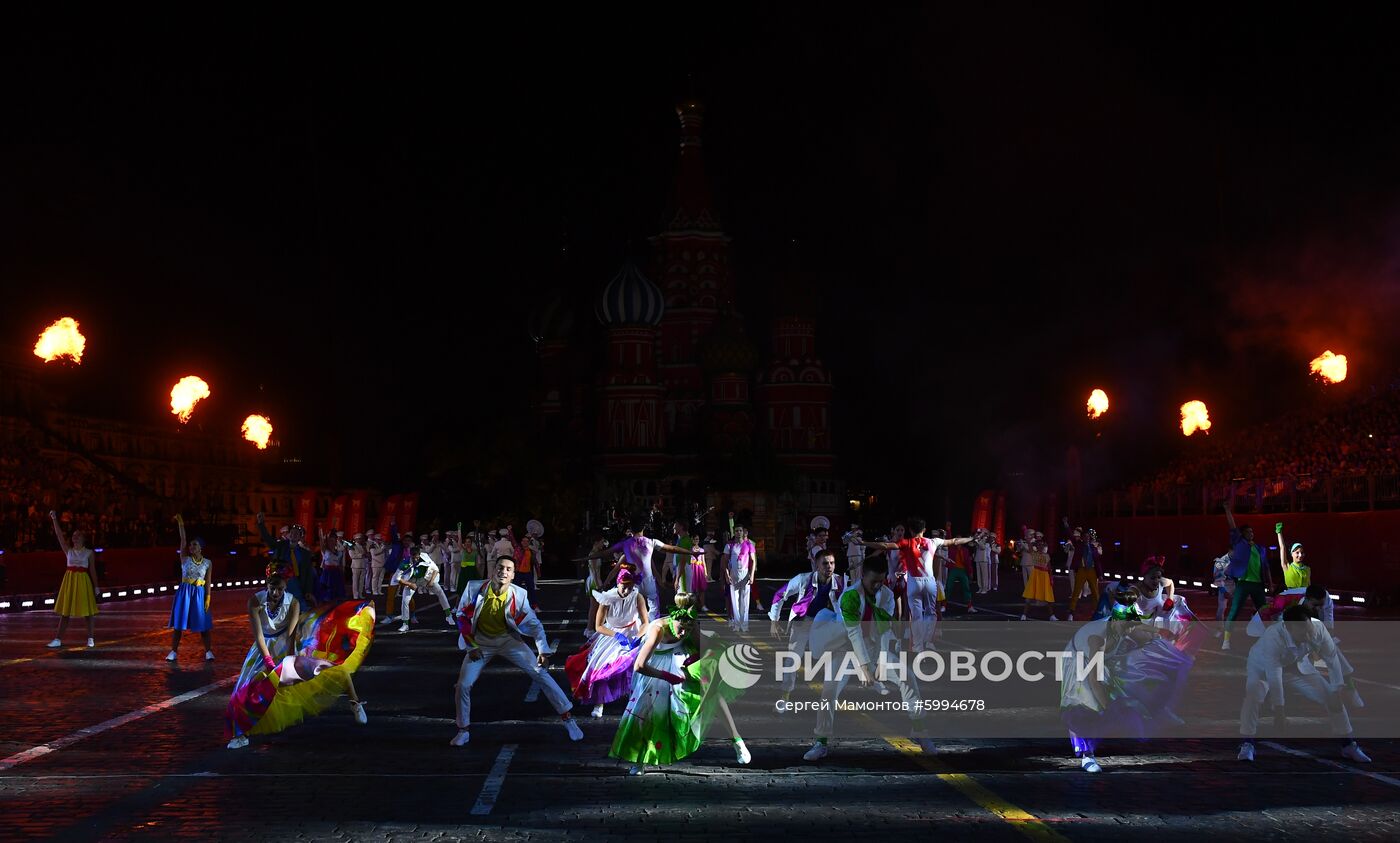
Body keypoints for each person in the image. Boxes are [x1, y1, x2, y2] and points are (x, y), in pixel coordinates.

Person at [801, 564, 936, 761]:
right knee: (829, 691)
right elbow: (854, 634)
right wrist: (865, 669)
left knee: (907, 677)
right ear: (862, 576)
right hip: (845, 647)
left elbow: (883, 630)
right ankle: (821, 742)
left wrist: (880, 663)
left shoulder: (887, 596)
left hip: (872, 647)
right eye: (873, 581)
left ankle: (919, 730)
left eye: (881, 582)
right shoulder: (850, 596)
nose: (877, 586)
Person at [448, 556, 583, 747]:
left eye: (508, 569)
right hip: (480, 643)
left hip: (508, 640)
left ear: (512, 575)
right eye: (500, 567)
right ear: (493, 570)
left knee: (540, 674)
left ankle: (568, 719)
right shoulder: (474, 588)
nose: (504, 571)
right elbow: (461, 616)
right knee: (463, 685)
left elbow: (534, 625)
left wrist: (543, 651)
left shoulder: (518, 595)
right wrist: (472, 646)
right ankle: (463, 730)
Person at [224, 575, 371, 749]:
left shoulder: (293, 603)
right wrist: (268, 660)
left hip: (288, 644)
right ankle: (241, 735)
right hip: (263, 648)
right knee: (246, 689)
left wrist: (288, 659)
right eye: (272, 588)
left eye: (280, 588)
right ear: (267, 586)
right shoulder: (255, 602)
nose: (276, 592)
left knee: (326, 667)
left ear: (285, 587)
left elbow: (291, 634)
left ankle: (355, 703)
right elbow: (258, 636)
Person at [609, 594, 750, 775]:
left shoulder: (691, 625)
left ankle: (737, 741)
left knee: (711, 692)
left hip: (680, 659)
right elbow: (639, 666)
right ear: (674, 618)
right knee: (646, 710)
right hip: (654, 666)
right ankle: (640, 759)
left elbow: (704, 650)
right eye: (681, 629)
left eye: (688, 629)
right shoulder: (658, 629)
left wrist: (698, 665)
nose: (684, 633)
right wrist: (667, 677)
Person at [1060, 587, 1195, 773]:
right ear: (1115, 621)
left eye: (1130, 626)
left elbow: (1139, 627)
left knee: (1133, 670)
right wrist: (1107, 706)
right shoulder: (1097, 639)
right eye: (1126, 626)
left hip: (1105, 658)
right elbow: (1093, 677)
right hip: (1079, 659)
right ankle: (1086, 754)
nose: (1129, 630)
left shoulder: (1125, 624)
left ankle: (1148, 706)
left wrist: (1161, 632)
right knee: (1087, 700)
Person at [1237, 605, 1370, 764]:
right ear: (1288, 627)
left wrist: (1336, 690)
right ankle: (1247, 743)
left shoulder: (1318, 629)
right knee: (1253, 697)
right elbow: (1274, 674)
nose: (1308, 635)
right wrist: (1279, 711)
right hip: (1262, 668)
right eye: (1302, 631)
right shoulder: (1274, 637)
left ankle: (1349, 744)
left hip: (1298, 666)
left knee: (1332, 698)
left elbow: (1332, 659)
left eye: (1309, 628)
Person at [860, 517, 972, 650]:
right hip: (929, 582)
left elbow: (884, 546)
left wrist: (862, 542)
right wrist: (971, 539)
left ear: (910, 530)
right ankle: (929, 642)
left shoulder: (906, 542)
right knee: (930, 612)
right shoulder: (933, 541)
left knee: (916, 615)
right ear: (924, 530)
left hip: (913, 583)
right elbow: (954, 541)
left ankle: (918, 646)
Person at [565, 569, 651, 718]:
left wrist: (637, 637)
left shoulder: (637, 597)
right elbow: (599, 626)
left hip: (632, 631)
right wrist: (616, 635)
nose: (627, 590)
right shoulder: (607, 598)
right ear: (618, 583)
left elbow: (645, 622)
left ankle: (634, 700)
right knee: (601, 666)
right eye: (624, 586)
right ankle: (599, 703)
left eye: (630, 587)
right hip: (612, 633)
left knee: (637, 664)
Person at [769, 549, 846, 696]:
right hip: (803, 622)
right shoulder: (803, 579)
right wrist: (774, 621)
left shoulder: (840, 582)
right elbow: (780, 595)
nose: (829, 566)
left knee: (833, 657)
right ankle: (785, 694)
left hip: (826, 624)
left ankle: (830, 694)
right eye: (825, 563)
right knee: (793, 658)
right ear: (817, 565)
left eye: (832, 563)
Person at [586, 519, 702, 616]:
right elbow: (671, 548)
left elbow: (606, 552)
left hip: (633, 582)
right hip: (648, 581)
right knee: (654, 609)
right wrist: (690, 552)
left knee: (633, 611)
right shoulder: (651, 542)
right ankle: (652, 633)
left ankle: (637, 634)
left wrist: (588, 557)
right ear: (643, 528)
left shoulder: (625, 544)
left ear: (631, 530)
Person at [1222, 501, 1274, 651]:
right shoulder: (1239, 543)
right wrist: (1227, 510)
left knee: (1264, 611)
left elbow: (1266, 567)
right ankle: (1226, 640)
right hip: (1243, 583)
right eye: (1248, 532)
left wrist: (1270, 583)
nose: (1251, 534)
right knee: (1235, 610)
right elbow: (1232, 526)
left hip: (1258, 585)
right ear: (1242, 535)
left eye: (1252, 532)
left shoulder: (1260, 549)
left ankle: (1270, 639)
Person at [47, 509, 98, 649]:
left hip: (83, 581)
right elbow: (59, 536)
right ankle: (58, 639)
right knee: (65, 612)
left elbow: (92, 570)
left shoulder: (89, 553)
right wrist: (54, 519)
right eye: (74, 535)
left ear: (83, 538)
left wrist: (96, 586)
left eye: (78, 535)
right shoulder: (68, 550)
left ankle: (90, 638)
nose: (75, 537)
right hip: (69, 581)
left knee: (87, 612)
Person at [166, 513, 214, 662]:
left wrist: (208, 597)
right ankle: (173, 651)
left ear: (201, 547)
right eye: (191, 544)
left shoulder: (207, 563)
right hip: (185, 593)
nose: (191, 546)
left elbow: (208, 581)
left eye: (195, 544)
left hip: (200, 593)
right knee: (179, 624)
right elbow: (183, 540)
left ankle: (208, 651)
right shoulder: (185, 558)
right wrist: (181, 524)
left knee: (203, 624)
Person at [257, 512, 314, 609]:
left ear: (300, 537)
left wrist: (308, 590)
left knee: (299, 607)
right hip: (280, 582)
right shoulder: (281, 546)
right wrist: (261, 524)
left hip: (297, 584)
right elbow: (268, 539)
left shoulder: (305, 554)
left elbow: (308, 573)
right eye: (292, 532)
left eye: (297, 533)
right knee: (279, 607)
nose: (293, 534)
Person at [397, 552, 455, 633]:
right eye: (413, 558)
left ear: (419, 555)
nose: (415, 559)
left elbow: (435, 569)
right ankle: (405, 624)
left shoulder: (425, 558)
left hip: (425, 579)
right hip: (412, 581)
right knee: (405, 600)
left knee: (440, 592)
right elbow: (398, 578)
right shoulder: (405, 563)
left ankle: (449, 615)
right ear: (411, 556)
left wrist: (431, 581)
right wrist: (409, 584)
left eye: (417, 557)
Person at [1062, 520, 1102, 619]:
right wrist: (1066, 524)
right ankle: (1071, 612)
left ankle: (1097, 611)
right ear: (1082, 538)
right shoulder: (1078, 545)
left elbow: (1097, 561)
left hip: (1092, 570)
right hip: (1081, 570)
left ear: (1090, 538)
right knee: (1076, 591)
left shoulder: (1093, 548)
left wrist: (1100, 574)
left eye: (1088, 537)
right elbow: (1071, 535)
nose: (1087, 538)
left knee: (1095, 593)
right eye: (1085, 537)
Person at [723, 525, 757, 632]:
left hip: (745, 574)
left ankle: (745, 625)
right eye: (736, 531)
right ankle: (737, 625)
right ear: (734, 532)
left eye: (740, 531)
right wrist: (727, 575)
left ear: (743, 532)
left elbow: (753, 560)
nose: (738, 532)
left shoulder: (749, 544)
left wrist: (752, 575)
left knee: (745, 600)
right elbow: (724, 561)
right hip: (733, 574)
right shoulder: (729, 545)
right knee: (735, 600)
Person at [1019, 536, 1059, 621]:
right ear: (1037, 546)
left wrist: (1051, 578)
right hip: (1036, 575)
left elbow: (1049, 568)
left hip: (1045, 576)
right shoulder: (1034, 553)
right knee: (1030, 595)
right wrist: (1029, 538)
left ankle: (1052, 616)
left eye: (1042, 545)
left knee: (1047, 596)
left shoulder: (1047, 555)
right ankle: (1024, 614)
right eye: (1039, 545)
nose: (1041, 546)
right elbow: (1029, 546)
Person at [1274, 521, 1311, 589]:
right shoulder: (1287, 567)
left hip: (1304, 597)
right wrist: (1279, 533)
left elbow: (1309, 586)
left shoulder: (1307, 569)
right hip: (1291, 597)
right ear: (1292, 554)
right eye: (1297, 552)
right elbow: (1282, 547)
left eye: (1302, 553)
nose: (1300, 555)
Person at [348, 533, 370, 599]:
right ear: (356, 539)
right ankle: (355, 595)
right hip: (356, 566)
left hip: (363, 565)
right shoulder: (352, 546)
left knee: (361, 581)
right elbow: (352, 556)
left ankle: (360, 594)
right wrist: (361, 555)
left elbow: (366, 554)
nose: (361, 540)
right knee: (355, 581)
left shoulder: (363, 546)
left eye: (361, 539)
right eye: (359, 539)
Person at [367, 530, 388, 597]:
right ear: (375, 539)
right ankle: (374, 590)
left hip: (383, 564)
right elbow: (374, 554)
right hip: (376, 564)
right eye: (378, 539)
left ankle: (379, 590)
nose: (379, 540)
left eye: (380, 539)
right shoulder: (372, 546)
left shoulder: (382, 545)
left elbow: (385, 554)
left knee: (381, 578)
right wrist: (381, 549)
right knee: (375, 577)